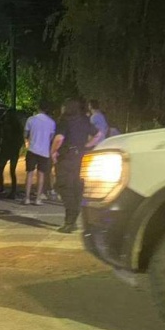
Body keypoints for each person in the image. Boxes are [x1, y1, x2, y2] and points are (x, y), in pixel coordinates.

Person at [50, 98, 104, 233]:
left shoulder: (65, 121)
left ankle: (70, 221)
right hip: (80, 156)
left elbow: (59, 138)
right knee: (76, 187)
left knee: (63, 186)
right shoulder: (84, 120)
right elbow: (98, 134)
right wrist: (87, 146)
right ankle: (73, 219)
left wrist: (53, 151)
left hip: (66, 157)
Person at [23, 102, 56, 205]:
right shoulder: (51, 122)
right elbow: (51, 137)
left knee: (29, 173)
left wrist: (28, 141)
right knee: (41, 174)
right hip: (44, 151)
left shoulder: (31, 119)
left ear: (38, 108)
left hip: (32, 149)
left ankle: (27, 198)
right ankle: (38, 199)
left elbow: (25, 134)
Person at [0, 108, 23, 199]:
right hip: (14, 150)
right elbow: (21, 139)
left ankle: (1, 188)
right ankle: (13, 191)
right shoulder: (18, 126)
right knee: (12, 171)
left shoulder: (5, 124)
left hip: (5, 149)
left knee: (0, 169)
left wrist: (3, 115)